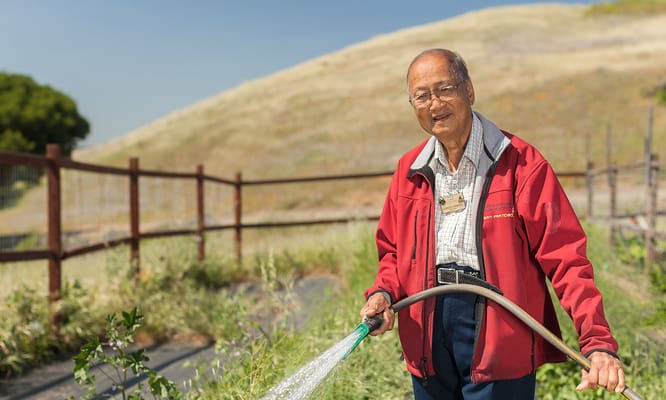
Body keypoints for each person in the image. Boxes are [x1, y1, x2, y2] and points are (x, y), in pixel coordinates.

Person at [359, 48, 625, 399]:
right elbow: (393, 252)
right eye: (422, 96)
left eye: (445, 89)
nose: (435, 104)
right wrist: (383, 292)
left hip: (500, 331)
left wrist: (598, 342)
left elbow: (566, 259)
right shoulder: (409, 171)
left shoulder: (521, 164)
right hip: (425, 332)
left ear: (469, 91)